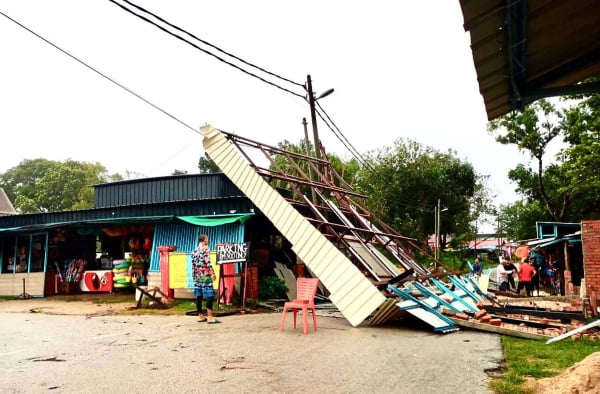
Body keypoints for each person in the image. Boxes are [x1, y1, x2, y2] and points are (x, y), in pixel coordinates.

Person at [191, 234, 220, 324]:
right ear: (204, 240)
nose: (208, 240)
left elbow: (193, 265)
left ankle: (200, 316)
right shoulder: (205, 249)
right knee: (210, 295)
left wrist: (194, 276)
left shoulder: (194, 250)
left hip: (197, 277)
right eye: (207, 239)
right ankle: (210, 317)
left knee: (199, 296)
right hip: (205, 276)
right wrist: (213, 273)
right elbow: (208, 262)